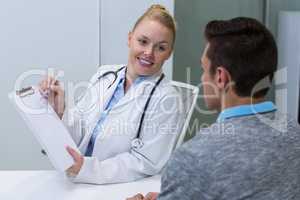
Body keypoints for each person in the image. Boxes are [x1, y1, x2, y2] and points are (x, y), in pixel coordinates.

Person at [127, 17, 300, 200]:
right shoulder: (294, 132)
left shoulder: (194, 158)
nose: (202, 79)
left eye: (203, 69)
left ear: (220, 78)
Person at [39, 4, 185, 184]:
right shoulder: (105, 75)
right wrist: (61, 110)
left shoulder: (167, 99)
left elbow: (145, 163)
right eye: (143, 41)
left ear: (169, 53)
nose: (149, 53)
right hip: (74, 180)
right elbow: (81, 131)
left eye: (160, 48)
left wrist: (87, 169)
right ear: (130, 38)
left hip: (117, 187)